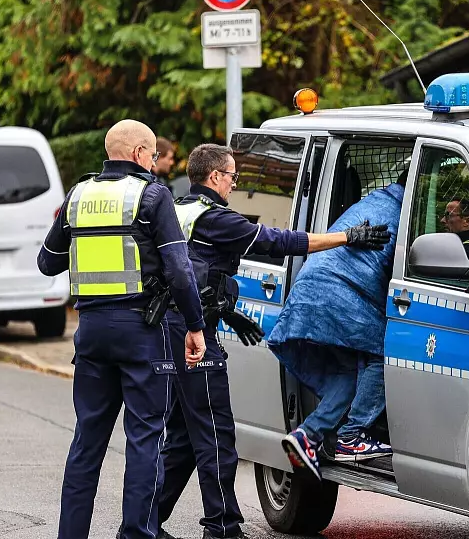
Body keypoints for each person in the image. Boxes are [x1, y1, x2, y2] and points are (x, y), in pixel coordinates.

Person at [156, 144, 390, 539]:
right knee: (216, 435)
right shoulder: (216, 218)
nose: (234, 184)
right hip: (193, 334)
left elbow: (190, 270)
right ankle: (223, 529)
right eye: (232, 177)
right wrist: (347, 236)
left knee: (181, 438)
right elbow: (279, 241)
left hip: (170, 328)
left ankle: (145, 524)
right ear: (215, 177)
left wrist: (224, 310)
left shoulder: (179, 210)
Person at [36, 119, 207, 539]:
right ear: (138, 153)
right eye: (152, 154)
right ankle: (136, 534)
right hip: (140, 332)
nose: (154, 161)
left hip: (91, 333)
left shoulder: (78, 195)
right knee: (145, 439)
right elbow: (179, 270)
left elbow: (47, 262)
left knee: (86, 443)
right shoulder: (152, 195)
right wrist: (195, 325)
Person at [268, 169, 409, 481]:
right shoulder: (404, 214)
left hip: (309, 290)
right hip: (339, 294)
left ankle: (307, 435)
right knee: (383, 353)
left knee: (348, 373)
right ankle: (351, 436)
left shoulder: (374, 202)